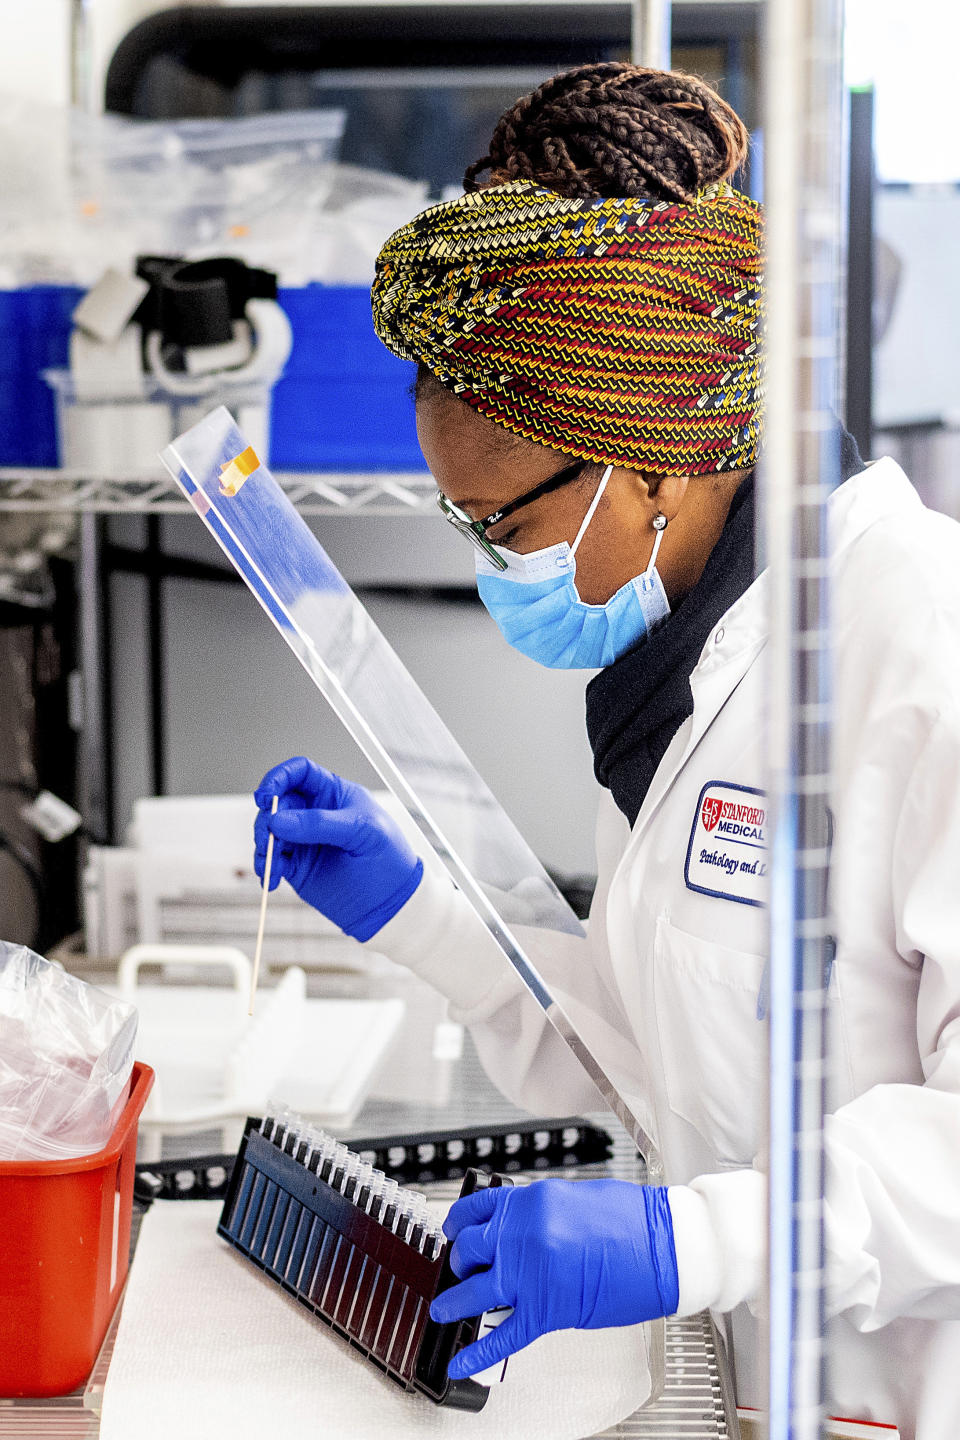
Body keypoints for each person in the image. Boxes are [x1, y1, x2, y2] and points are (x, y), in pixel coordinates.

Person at [253, 64, 960, 1439]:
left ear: (651, 467)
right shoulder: (676, 672)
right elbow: (667, 1059)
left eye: (499, 524)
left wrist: (687, 1243)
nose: (490, 572)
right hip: (776, 1396)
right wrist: (425, 919)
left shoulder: (921, 648)